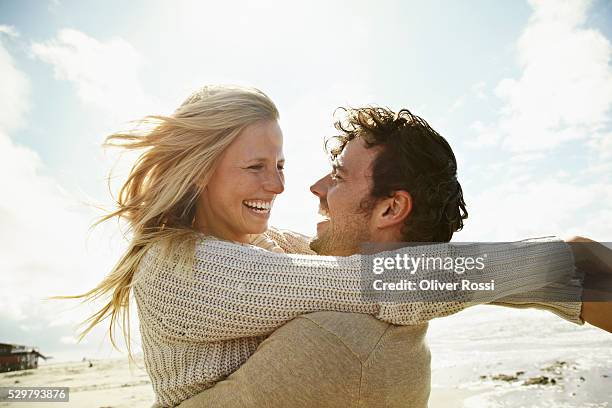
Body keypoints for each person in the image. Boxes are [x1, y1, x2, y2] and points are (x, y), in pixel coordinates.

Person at [63, 85, 598, 408]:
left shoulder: (269, 247)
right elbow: (374, 282)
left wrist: (565, 289)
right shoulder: (182, 269)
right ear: (200, 173)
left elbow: (384, 265)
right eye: (255, 167)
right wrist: (568, 261)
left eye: (280, 166)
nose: (279, 188)